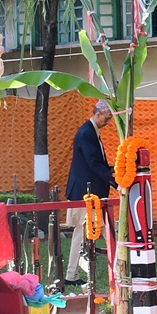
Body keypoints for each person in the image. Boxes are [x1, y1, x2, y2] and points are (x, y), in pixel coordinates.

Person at [64, 100, 116, 286]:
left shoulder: (90, 131)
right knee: (83, 232)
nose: (108, 123)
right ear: (98, 114)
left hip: (90, 191)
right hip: (85, 193)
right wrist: (115, 182)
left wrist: (111, 171)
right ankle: (71, 274)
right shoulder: (87, 132)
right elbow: (93, 163)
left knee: (101, 230)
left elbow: (96, 163)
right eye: (107, 119)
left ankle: (117, 265)